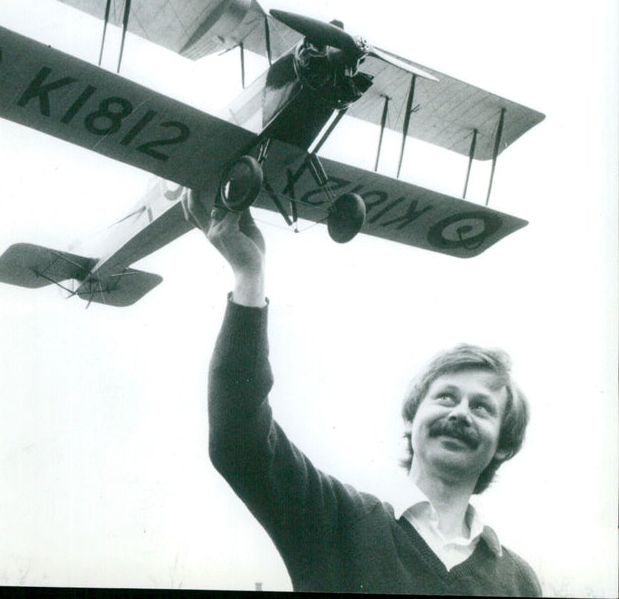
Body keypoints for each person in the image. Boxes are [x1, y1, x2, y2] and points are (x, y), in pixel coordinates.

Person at [182, 190, 542, 596]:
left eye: (482, 407)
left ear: (503, 445)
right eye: (445, 397)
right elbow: (238, 437)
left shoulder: (519, 581)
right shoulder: (336, 518)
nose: (460, 412)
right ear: (412, 416)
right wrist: (250, 274)